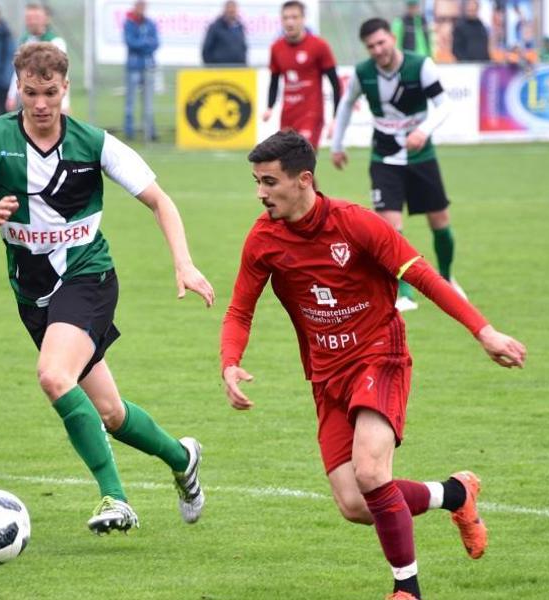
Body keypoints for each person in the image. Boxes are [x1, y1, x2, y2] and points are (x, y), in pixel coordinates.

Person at [221, 130, 527, 600]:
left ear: (303, 180)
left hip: (379, 357)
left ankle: (407, 589)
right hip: (326, 375)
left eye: (268, 182)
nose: (260, 193)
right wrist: (230, 363)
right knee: (355, 503)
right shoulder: (263, 240)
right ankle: (455, 494)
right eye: (256, 182)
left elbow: (423, 275)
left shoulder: (355, 224)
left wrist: (482, 330)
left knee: (370, 473)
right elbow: (240, 309)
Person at [0, 42, 213, 534]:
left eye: (50, 93)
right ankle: (182, 457)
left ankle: (115, 498)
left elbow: (160, 200)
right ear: (17, 89)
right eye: (30, 93)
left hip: (88, 276)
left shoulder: (94, 142)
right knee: (110, 412)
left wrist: (184, 264)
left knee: (52, 375)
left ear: (66, 89)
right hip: (33, 294)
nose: (41, 104)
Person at [331, 18, 463, 312]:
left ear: (392, 38)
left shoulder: (421, 65)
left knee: (440, 222)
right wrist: (337, 145)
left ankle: (446, 278)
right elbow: (344, 106)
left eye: (381, 42)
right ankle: (405, 293)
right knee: (391, 228)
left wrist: (423, 131)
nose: (378, 50)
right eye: (371, 46)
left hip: (421, 156)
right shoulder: (363, 73)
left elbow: (445, 105)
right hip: (384, 157)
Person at [262, 0, 340, 151]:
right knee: (288, 166)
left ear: (303, 19)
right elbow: (274, 80)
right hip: (288, 114)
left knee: (302, 158)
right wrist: (269, 107)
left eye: (294, 17)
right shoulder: (276, 48)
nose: (290, 22)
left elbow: (335, 83)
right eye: (285, 18)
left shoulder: (319, 46)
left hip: (311, 114)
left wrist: (335, 118)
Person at [5, 3, 69, 113]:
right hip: (28, 95)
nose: (32, 22)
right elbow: (17, 71)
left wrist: (64, 103)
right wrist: (11, 95)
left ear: (46, 19)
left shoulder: (56, 42)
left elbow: (63, 74)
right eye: (28, 18)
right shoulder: (24, 40)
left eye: (36, 18)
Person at [123, 0, 159, 141]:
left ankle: (150, 132)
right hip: (134, 67)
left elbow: (156, 43)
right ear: (135, 7)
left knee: (148, 102)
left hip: (148, 67)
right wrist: (145, 43)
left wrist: (143, 44)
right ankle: (129, 132)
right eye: (140, 7)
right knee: (130, 102)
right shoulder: (129, 23)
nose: (142, 9)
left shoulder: (150, 23)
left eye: (144, 7)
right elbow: (131, 42)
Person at [202, 0, 247, 66]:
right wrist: (211, 67)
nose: (231, 13)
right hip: (220, 69)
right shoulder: (215, 27)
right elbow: (206, 50)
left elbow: (243, 47)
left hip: (238, 69)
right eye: (230, 11)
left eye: (233, 11)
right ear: (225, 11)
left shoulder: (240, 27)